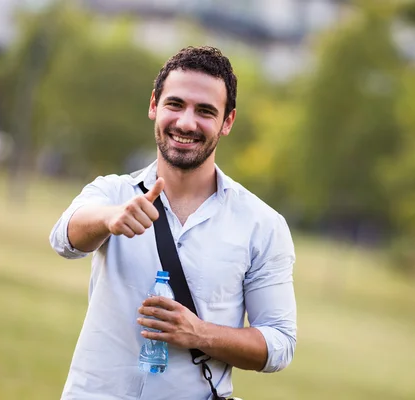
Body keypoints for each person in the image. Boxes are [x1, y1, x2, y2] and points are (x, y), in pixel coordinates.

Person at [49, 46, 297, 400]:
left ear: (227, 122)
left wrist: (199, 334)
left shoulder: (263, 225)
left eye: (205, 111)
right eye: (175, 104)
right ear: (154, 105)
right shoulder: (113, 192)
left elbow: (279, 343)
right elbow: (63, 238)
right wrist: (110, 218)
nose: (185, 123)